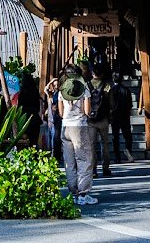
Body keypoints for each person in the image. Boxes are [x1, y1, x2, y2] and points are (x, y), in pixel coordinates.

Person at [57, 64, 97, 206]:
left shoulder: (62, 89)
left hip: (65, 127)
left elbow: (61, 113)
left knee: (69, 161)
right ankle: (83, 193)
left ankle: (73, 192)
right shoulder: (84, 87)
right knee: (84, 159)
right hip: (79, 126)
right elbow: (87, 110)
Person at [87, 63, 115, 178]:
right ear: (102, 73)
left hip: (90, 120)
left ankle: (93, 170)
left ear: (92, 73)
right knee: (105, 144)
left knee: (92, 146)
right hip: (103, 119)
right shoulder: (107, 86)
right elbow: (112, 104)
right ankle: (106, 168)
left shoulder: (87, 85)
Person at [109, 74, 134, 163]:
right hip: (125, 115)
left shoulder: (111, 91)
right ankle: (128, 150)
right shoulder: (126, 90)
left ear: (113, 80)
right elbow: (130, 104)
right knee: (127, 135)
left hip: (115, 116)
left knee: (115, 137)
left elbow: (110, 104)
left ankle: (117, 157)